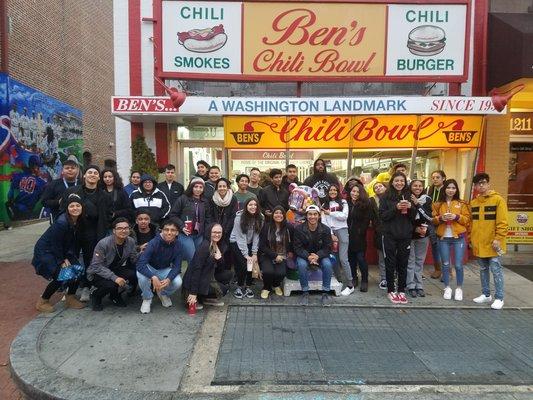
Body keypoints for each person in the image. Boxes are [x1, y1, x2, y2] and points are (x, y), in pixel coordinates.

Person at [61, 165, 109, 302]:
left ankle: (87, 286)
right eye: (90, 172)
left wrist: (101, 235)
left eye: (95, 173)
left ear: (99, 177)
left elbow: (106, 216)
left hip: (93, 233)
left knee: (90, 261)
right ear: (84, 176)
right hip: (74, 231)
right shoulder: (72, 191)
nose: (92, 175)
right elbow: (64, 209)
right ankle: (68, 288)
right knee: (70, 260)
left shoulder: (103, 195)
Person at [33, 194, 86, 312]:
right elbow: (55, 244)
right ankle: (43, 300)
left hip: (62, 250)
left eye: (78, 205)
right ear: (67, 208)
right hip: (47, 250)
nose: (75, 208)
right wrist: (62, 260)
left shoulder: (78, 220)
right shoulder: (61, 222)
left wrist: (69, 257)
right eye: (72, 206)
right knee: (61, 275)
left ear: (82, 208)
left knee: (78, 269)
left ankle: (70, 298)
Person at [470, 173, 508, 310]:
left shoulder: (498, 200)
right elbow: (471, 223)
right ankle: (486, 294)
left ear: (488, 184)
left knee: (496, 270)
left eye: (483, 182)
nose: (481, 185)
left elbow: (503, 222)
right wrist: (471, 239)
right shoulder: (473, 202)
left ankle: (499, 297)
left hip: (493, 243)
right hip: (479, 243)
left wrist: (498, 238)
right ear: (474, 186)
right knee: (483, 269)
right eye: (478, 183)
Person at [379, 172, 416, 305]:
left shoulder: (409, 196)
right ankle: (390, 290)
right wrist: (396, 208)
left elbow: (414, 217)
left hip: (405, 235)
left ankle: (401, 290)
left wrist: (412, 207)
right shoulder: (385, 197)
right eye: (397, 181)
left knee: (403, 264)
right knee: (390, 263)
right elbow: (382, 216)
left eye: (402, 181)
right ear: (392, 182)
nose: (399, 183)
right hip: (389, 235)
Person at [87, 218, 138, 311]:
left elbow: (134, 258)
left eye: (126, 228)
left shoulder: (130, 241)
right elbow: (96, 266)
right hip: (97, 272)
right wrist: (115, 278)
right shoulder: (103, 243)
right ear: (114, 230)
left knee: (133, 274)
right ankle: (95, 295)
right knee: (111, 285)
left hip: (114, 268)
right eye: (120, 228)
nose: (123, 230)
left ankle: (114, 295)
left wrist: (145, 254)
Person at [432, 179, 470, 301]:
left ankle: (459, 288)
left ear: (456, 190)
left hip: (458, 238)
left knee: (458, 265)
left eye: (453, 188)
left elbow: (467, 220)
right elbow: (433, 220)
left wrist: (456, 216)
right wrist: (441, 218)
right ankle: (447, 287)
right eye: (448, 188)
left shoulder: (462, 203)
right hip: (443, 238)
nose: (451, 190)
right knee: (445, 264)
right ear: (445, 189)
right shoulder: (437, 204)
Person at [136, 219, 184, 314]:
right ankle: (147, 298)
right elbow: (140, 264)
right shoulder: (154, 243)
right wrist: (153, 277)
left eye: (172, 230)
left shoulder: (179, 245)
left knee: (178, 282)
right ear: (162, 230)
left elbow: (177, 266)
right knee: (142, 277)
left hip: (164, 269)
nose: (169, 233)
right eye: (166, 229)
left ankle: (163, 293)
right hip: (149, 267)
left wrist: (169, 279)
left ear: (177, 232)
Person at [182, 223, 233, 309]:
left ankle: (204, 297)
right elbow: (196, 269)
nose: (217, 234)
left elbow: (221, 269)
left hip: (206, 275)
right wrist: (193, 293)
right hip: (193, 282)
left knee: (228, 274)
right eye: (214, 232)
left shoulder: (217, 244)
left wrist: (219, 259)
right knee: (222, 290)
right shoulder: (205, 246)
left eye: (219, 232)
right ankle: (196, 296)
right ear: (209, 232)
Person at [293, 205, 334, 306]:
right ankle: (305, 292)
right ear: (306, 216)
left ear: (319, 216)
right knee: (302, 265)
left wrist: (317, 256)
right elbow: (297, 248)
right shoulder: (299, 229)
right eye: (310, 214)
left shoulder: (325, 229)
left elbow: (328, 247)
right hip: (304, 256)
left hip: (320, 256)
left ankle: (325, 292)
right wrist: (308, 256)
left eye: (315, 214)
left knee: (328, 265)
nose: (312, 217)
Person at [168, 177, 208, 267]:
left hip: (199, 234)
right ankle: (190, 280)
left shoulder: (205, 201)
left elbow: (208, 218)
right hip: (185, 234)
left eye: (201, 187)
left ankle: (196, 278)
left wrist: (206, 232)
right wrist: (182, 227)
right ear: (191, 187)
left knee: (199, 258)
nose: (198, 189)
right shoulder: (183, 199)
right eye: (196, 186)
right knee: (192, 257)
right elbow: (173, 215)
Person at [321, 185, 353, 295]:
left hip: (342, 230)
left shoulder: (343, 202)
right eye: (330, 190)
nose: (333, 192)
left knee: (344, 259)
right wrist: (330, 234)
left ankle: (350, 284)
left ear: (338, 191)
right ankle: (339, 280)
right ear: (327, 192)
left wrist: (330, 213)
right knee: (333, 257)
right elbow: (323, 221)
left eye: (335, 190)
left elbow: (344, 216)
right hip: (330, 232)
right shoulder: (324, 204)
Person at [230, 197, 264, 299]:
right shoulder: (239, 217)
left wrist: (254, 253)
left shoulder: (261, 217)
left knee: (251, 263)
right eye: (250, 205)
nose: (253, 207)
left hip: (250, 242)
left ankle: (248, 286)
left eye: (255, 205)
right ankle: (239, 286)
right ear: (246, 206)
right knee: (243, 264)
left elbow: (257, 235)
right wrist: (246, 255)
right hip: (236, 241)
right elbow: (241, 237)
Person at [258, 206, 294, 299]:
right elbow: (262, 246)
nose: (279, 215)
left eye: (281, 213)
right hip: (268, 255)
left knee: (281, 273)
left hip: (283, 256)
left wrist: (290, 251)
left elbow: (293, 241)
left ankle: (276, 285)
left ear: (284, 215)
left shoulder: (289, 227)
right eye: (276, 213)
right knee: (268, 271)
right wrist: (275, 255)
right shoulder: (266, 227)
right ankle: (266, 287)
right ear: (272, 215)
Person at [406, 180, 433, 298]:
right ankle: (410, 285)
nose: (418, 187)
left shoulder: (427, 199)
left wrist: (417, 204)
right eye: (415, 186)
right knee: (410, 261)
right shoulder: (406, 198)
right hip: (410, 235)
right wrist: (414, 229)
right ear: (410, 187)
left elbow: (428, 216)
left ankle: (419, 285)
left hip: (423, 234)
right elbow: (404, 218)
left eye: (420, 186)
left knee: (419, 261)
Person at [347, 182, 371, 292]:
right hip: (347, 235)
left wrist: (360, 231)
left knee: (361, 259)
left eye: (357, 192)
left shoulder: (365, 204)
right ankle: (354, 278)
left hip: (359, 236)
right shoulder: (346, 203)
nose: (355, 194)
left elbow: (366, 220)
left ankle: (365, 280)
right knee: (351, 259)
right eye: (353, 191)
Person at [41, 158, 80, 223]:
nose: (70, 170)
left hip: (79, 221)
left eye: (73, 168)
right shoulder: (54, 184)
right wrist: (58, 202)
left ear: (77, 171)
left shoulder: (82, 184)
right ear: (62, 171)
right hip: (58, 221)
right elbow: (44, 202)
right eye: (67, 168)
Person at [206, 177, 237, 246]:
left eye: (224, 186)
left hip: (228, 229)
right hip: (215, 230)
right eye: (220, 186)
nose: (222, 188)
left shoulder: (233, 198)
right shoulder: (212, 198)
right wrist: (215, 227)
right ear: (217, 188)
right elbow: (210, 215)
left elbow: (233, 216)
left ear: (227, 187)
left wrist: (225, 230)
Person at [427, 170, 446, 279]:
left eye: (437, 177)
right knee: (434, 246)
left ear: (443, 178)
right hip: (431, 221)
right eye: (433, 177)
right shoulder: (430, 189)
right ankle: (437, 269)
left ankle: (447, 271)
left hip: (443, 222)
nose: (435, 179)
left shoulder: (448, 189)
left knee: (444, 246)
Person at [369, 181, 387, 289]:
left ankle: (393, 277)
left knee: (393, 256)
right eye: (376, 187)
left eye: (380, 186)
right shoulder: (372, 200)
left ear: (385, 187)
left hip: (392, 231)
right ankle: (384, 278)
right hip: (379, 231)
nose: (378, 188)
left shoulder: (392, 198)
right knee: (381, 256)